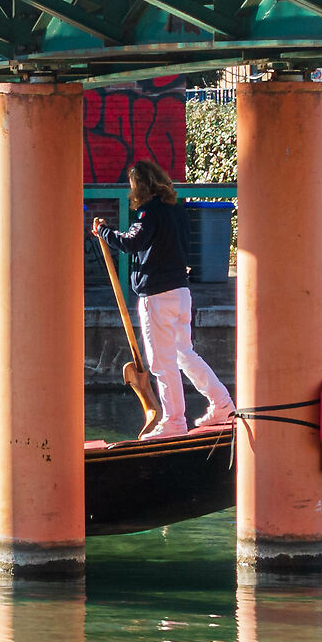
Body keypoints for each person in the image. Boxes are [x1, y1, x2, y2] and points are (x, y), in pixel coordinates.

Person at [92, 160, 235, 438]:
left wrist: (104, 232)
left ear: (140, 188)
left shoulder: (150, 213)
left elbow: (132, 242)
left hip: (158, 297)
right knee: (184, 353)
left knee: (162, 362)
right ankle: (222, 403)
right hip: (181, 293)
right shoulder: (177, 211)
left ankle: (174, 422)